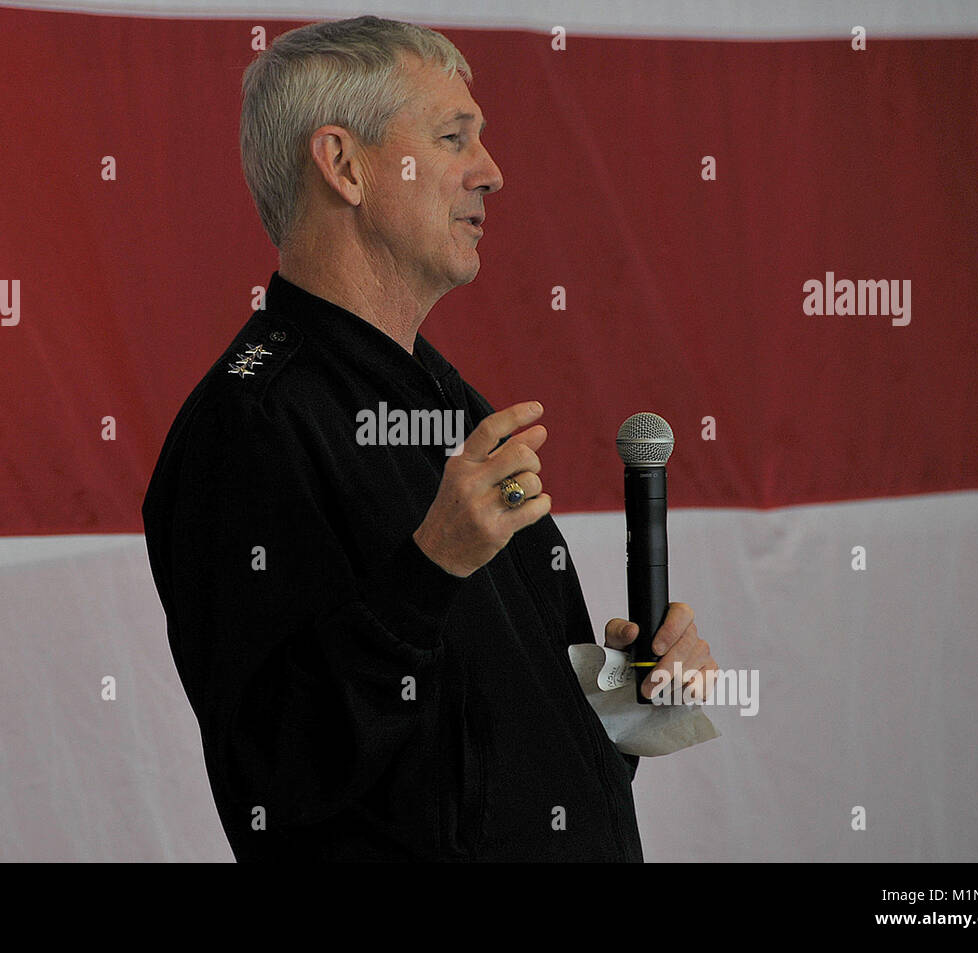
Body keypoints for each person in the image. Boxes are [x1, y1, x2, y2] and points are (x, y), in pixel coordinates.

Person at [141, 15, 717, 862]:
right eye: (454, 138)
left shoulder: (447, 398)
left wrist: (633, 695)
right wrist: (430, 565)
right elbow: (273, 776)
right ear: (343, 166)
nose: (492, 173)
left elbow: (480, 751)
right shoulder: (248, 428)